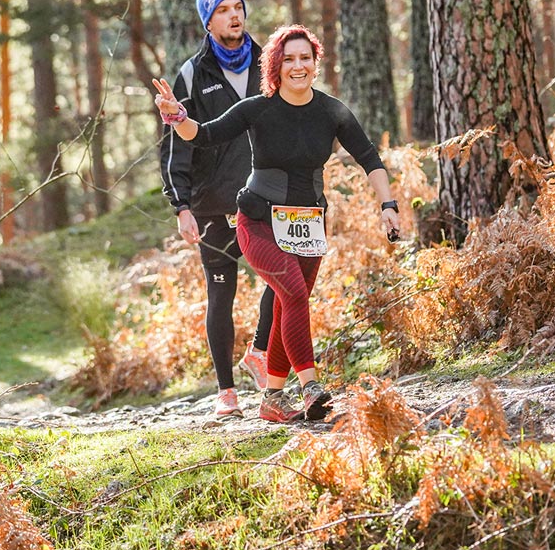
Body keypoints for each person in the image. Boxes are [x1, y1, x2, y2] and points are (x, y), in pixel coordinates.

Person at [153, 24, 401, 423]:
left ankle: (271, 396)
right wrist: (177, 115)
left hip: (310, 225)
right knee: (294, 293)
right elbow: (202, 135)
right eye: (289, 59)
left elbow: (370, 158)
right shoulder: (257, 108)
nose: (298, 66)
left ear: (315, 63)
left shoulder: (332, 111)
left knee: (291, 301)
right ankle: (311, 385)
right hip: (257, 221)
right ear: (276, 65)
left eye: (305, 58)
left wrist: (387, 204)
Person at [158, 0, 276, 419]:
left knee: (283, 282)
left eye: (238, 7)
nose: (234, 16)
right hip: (212, 203)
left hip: (267, 196)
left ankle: (261, 353)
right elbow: (176, 143)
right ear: (208, 20)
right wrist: (181, 206)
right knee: (221, 293)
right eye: (223, 10)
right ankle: (226, 392)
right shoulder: (191, 74)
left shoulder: (270, 63)